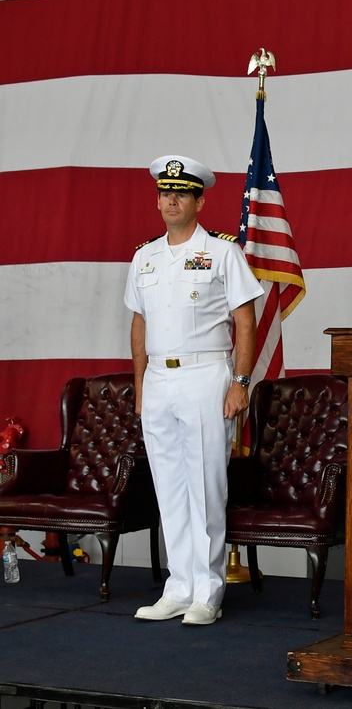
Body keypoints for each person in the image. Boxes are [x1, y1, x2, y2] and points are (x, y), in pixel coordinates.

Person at [124, 155, 263, 626]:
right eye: (165, 192)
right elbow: (139, 323)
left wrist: (241, 383)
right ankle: (178, 585)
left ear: (200, 201)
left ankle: (207, 590)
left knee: (205, 486)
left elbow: (245, 320)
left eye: (181, 193)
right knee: (169, 487)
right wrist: (141, 386)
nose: (171, 200)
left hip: (206, 376)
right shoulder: (145, 256)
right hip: (159, 379)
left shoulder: (224, 252)